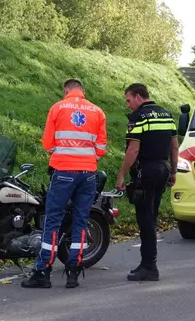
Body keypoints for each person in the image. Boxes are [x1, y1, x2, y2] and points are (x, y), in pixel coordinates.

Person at [22, 78, 107, 289]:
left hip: (63, 172)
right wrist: (88, 158)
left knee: (53, 220)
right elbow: (102, 147)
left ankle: (43, 271)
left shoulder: (57, 108)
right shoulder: (97, 111)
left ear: (65, 90)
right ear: (82, 91)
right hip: (88, 174)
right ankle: (73, 272)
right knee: (80, 220)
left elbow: (47, 143)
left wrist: (62, 156)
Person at [115, 83, 178, 282]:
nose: (128, 105)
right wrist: (173, 171)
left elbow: (133, 150)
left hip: (146, 172)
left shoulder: (139, 117)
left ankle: (149, 266)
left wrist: (122, 174)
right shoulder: (167, 115)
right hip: (163, 170)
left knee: (145, 219)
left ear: (138, 97)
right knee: (152, 214)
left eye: (128, 100)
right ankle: (147, 264)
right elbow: (174, 147)